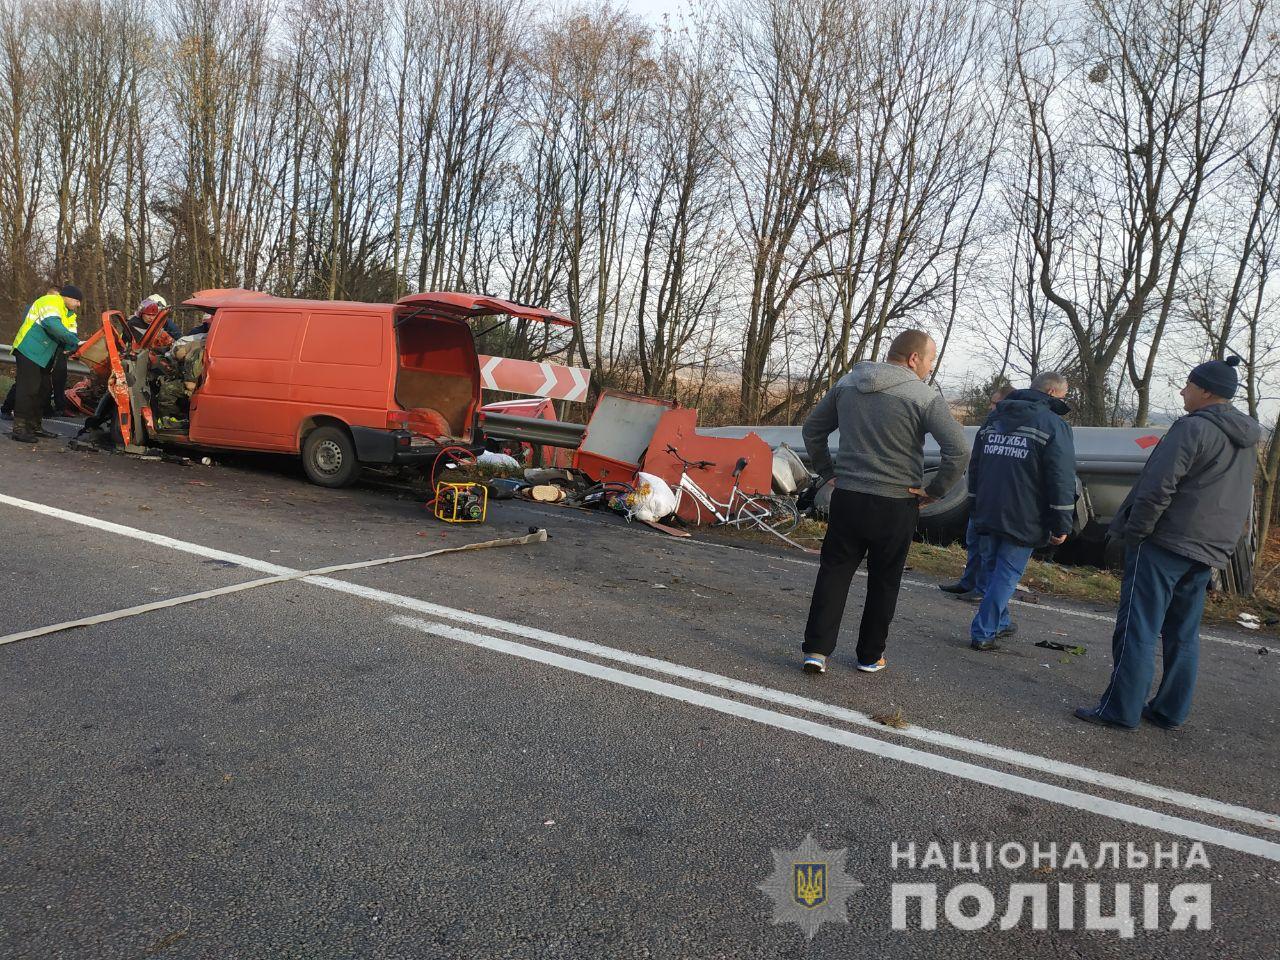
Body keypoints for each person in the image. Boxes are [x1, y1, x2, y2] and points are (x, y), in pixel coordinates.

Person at [1075, 357, 1259, 730]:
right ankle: (1170, 709)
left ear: (1206, 390)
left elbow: (1158, 486)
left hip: (1168, 540)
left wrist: (1137, 532)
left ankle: (1120, 709)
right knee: (1183, 632)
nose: (1182, 391)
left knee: (1138, 627)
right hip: (1209, 546)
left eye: (1188, 385)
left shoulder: (1192, 429)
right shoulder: (1248, 437)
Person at [801, 329, 968, 674]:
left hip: (847, 497)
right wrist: (936, 491)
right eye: (931, 359)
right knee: (884, 580)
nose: (930, 367)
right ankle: (869, 656)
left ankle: (816, 651)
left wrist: (827, 470)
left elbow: (813, 430)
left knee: (833, 574)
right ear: (913, 359)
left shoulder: (847, 384)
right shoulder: (923, 396)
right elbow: (959, 449)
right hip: (896, 502)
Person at [966, 372, 1076, 651]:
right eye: (1062, 398)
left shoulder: (994, 419)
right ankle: (984, 630)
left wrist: (974, 503)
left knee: (992, 568)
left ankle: (1000, 623)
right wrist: (1062, 522)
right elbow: (1060, 477)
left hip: (989, 507)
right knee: (1007, 573)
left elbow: (975, 466)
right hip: (1026, 513)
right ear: (1052, 393)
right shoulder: (1053, 425)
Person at [938, 383, 1015, 602]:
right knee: (973, 542)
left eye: (995, 403)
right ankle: (968, 582)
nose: (991, 407)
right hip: (979, 496)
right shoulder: (990, 425)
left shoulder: (1011, 429)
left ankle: (981, 589)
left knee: (987, 548)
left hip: (994, 500)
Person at [9, 285, 82, 443]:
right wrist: (74, 342)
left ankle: (34, 425)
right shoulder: (50, 301)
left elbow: (72, 335)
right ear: (68, 297)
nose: (79, 305)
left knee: (44, 390)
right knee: (29, 388)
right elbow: (52, 325)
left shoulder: (70, 314)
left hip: (44, 355)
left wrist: (75, 346)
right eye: (77, 300)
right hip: (29, 350)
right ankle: (19, 428)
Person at [2, 288, 59, 420]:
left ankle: (34, 415)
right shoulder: (39, 306)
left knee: (37, 385)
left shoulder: (50, 309)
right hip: (30, 351)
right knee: (24, 385)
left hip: (41, 351)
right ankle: (8, 409)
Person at [152, 334, 206, 428]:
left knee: (167, 389)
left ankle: (171, 419)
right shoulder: (201, 343)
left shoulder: (195, 353)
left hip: (199, 387)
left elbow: (190, 384)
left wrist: (190, 391)